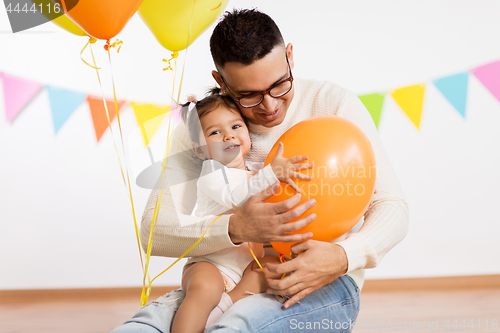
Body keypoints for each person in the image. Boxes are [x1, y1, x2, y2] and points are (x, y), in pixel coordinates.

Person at [110, 8, 408, 333]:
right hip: (221, 279)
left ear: (290, 57)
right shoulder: (206, 125)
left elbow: (392, 207)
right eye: (249, 96)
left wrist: (342, 256)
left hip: (319, 281)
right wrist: (237, 228)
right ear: (221, 82)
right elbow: (154, 232)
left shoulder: (335, 104)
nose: (269, 106)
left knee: (237, 327)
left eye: (279, 85)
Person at [171, 91, 313, 333]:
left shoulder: (258, 170)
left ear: (248, 133)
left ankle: (224, 308)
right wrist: (271, 173)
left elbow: (284, 190)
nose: (228, 135)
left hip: (248, 265)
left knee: (269, 272)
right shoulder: (212, 174)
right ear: (199, 149)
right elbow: (236, 198)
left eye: (236, 126)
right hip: (211, 263)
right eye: (214, 132)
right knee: (204, 290)